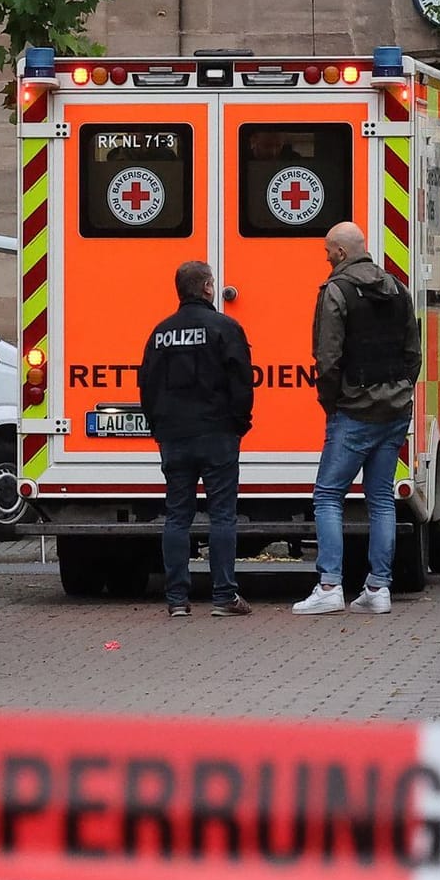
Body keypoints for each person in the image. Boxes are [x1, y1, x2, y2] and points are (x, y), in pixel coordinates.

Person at [294, 221, 421, 616]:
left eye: (329, 251)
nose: (326, 257)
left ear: (342, 252)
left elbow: (327, 357)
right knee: (381, 498)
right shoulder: (398, 289)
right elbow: (412, 352)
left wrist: (331, 402)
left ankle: (330, 585)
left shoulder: (337, 290)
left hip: (353, 410)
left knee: (328, 495)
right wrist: (401, 391)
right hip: (395, 409)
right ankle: (378, 589)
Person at [139, 260, 254, 618]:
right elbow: (242, 381)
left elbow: (147, 384)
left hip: (174, 435)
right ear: (206, 288)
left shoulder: (160, 333)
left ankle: (177, 601)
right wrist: (239, 422)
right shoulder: (225, 328)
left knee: (177, 516)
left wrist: (158, 426)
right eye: (212, 284)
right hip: (217, 433)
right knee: (222, 515)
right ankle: (224, 597)